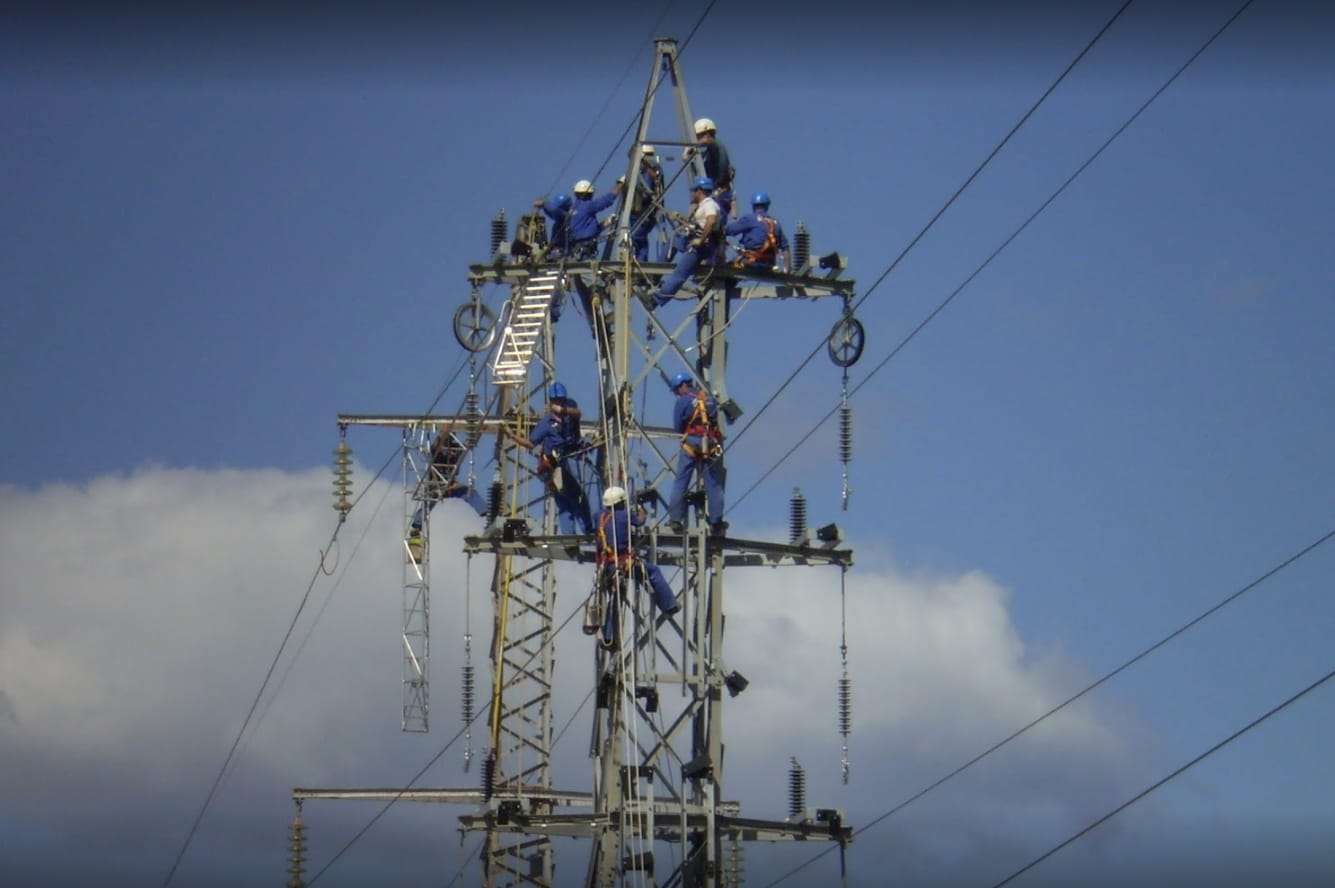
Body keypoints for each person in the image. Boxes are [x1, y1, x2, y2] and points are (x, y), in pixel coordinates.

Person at [590, 486, 679, 647]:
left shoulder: (599, 517)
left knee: (615, 598)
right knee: (652, 571)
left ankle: (608, 637)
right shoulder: (624, 515)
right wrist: (640, 508)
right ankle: (669, 605)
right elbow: (639, 520)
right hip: (624, 564)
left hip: (607, 567)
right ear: (620, 502)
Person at [513, 382, 594, 534]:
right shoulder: (546, 423)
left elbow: (577, 413)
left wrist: (563, 410)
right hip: (555, 466)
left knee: (577, 498)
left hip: (571, 459)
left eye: (561, 400)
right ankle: (573, 534)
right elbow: (531, 443)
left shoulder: (569, 414)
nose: (559, 402)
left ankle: (587, 529)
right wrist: (513, 437)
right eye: (556, 400)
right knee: (565, 502)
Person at [406, 429, 488, 563]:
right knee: (428, 502)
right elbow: (436, 448)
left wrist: (476, 432)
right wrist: (443, 434)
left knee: (469, 492)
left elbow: (467, 445)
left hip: (450, 484)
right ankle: (416, 527)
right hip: (437, 483)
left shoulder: (457, 449)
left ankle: (485, 512)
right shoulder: (437, 448)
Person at [665, 371, 726, 535]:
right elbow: (715, 421)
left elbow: (678, 428)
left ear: (682, 385)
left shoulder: (682, 401)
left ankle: (675, 519)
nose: (677, 393)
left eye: (677, 389)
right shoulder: (709, 399)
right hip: (709, 443)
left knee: (681, 480)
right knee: (713, 483)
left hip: (691, 443)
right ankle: (716, 522)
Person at [651, 177, 722, 308]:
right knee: (673, 242)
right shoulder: (703, 205)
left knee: (680, 273)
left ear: (699, 191)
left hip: (701, 246)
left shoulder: (709, 204)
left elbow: (711, 221)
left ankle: (656, 300)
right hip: (694, 240)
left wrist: (700, 240)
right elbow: (700, 224)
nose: (693, 194)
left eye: (694, 191)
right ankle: (654, 275)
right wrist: (683, 220)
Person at [726, 191, 791, 272]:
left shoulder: (750, 219)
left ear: (753, 206)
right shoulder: (775, 223)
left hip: (752, 261)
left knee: (727, 271)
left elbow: (729, 230)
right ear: (767, 206)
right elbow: (785, 248)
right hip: (769, 264)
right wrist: (787, 270)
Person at [567, 179, 623, 260]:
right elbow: (607, 200)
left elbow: (587, 229)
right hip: (585, 250)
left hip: (575, 249)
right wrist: (620, 184)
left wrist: (607, 222)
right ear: (590, 194)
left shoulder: (573, 209)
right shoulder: (588, 206)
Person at [692, 118, 734, 217]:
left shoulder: (717, 146)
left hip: (719, 192)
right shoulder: (707, 153)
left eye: (698, 136)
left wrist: (719, 182)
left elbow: (723, 164)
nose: (697, 140)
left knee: (715, 217)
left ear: (706, 134)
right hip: (713, 193)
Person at [628, 146, 665, 261]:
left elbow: (646, 192)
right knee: (641, 238)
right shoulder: (648, 170)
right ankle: (641, 262)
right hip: (645, 212)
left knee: (636, 238)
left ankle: (637, 262)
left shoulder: (649, 171)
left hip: (643, 212)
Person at [534, 192, 573, 258]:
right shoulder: (562, 218)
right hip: (559, 250)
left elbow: (553, 210)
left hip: (560, 251)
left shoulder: (564, 217)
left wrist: (544, 204)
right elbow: (552, 212)